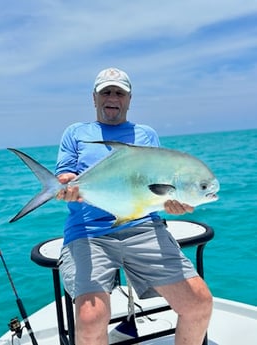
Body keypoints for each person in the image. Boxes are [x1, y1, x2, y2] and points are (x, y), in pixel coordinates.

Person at [55, 67, 213, 345]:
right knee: (91, 319)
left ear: (129, 99)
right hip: (88, 234)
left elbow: (156, 187)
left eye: (119, 92)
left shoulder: (146, 134)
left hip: (143, 228)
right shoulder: (75, 133)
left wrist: (171, 204)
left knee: (198, 304)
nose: (112, 97)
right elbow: (65, 174)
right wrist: (66, 184)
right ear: (94, 98)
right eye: (106, 92)